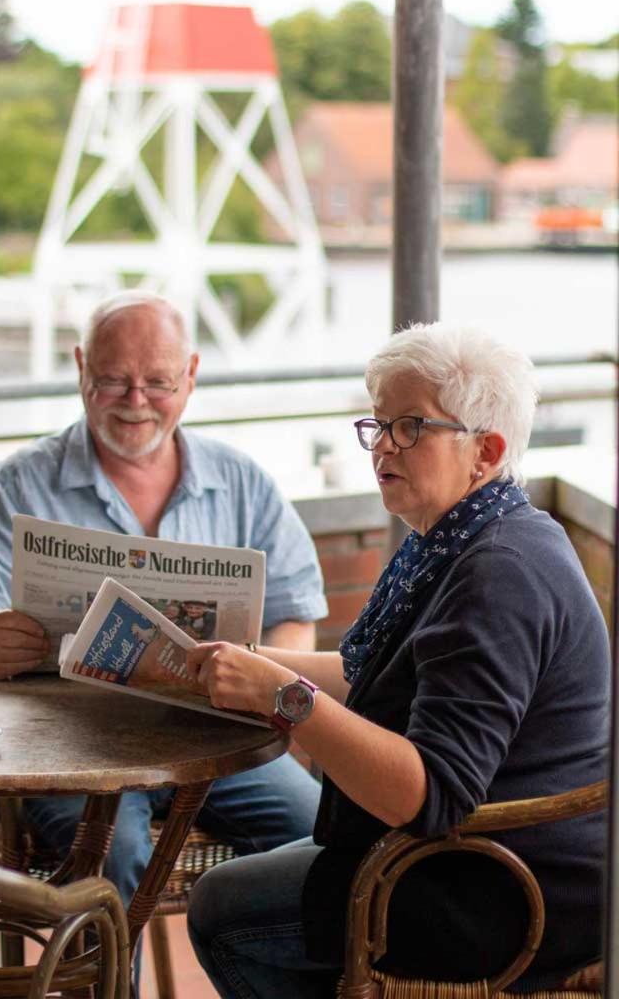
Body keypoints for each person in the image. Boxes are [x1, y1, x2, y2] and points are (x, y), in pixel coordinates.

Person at [186, 323, 609, 998]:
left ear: (486, 451)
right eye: (378, 424)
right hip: (491, 860)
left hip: (504, 891)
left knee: (218, 910)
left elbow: (426, 795)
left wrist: (282, 696)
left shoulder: (498, 575)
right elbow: (378, 675)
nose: (381, 446)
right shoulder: (474, 538)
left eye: (409, 427)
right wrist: (249, 662)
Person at [0, 290, 326, 911]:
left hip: (218, 740)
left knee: (324, 838)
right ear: (80, 369)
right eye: (114, 380)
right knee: (109, 864)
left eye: (157, 382)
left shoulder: (244, 482)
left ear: (191, 377)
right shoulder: (20, 481)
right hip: (71, 750)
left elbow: (294, 615)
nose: (136, 402)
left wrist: (264, 685)